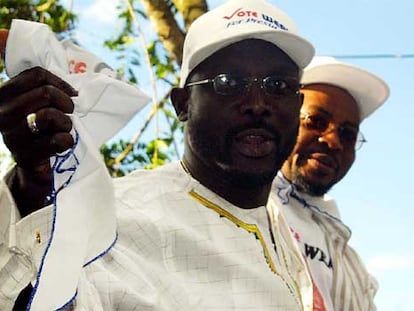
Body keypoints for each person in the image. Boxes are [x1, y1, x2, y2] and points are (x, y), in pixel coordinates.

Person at [0, 0, 319, 310]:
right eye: (228, 82)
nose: (258, 104)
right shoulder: (116, 221)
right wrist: (32, 189)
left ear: (298, 104)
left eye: (278, 84)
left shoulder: (294, 235)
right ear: (182, 103)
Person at [272, 56, 389, 311]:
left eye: (348, 134)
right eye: (316, 121)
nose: (333, 141)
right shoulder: (236, 205)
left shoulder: (351, 264)